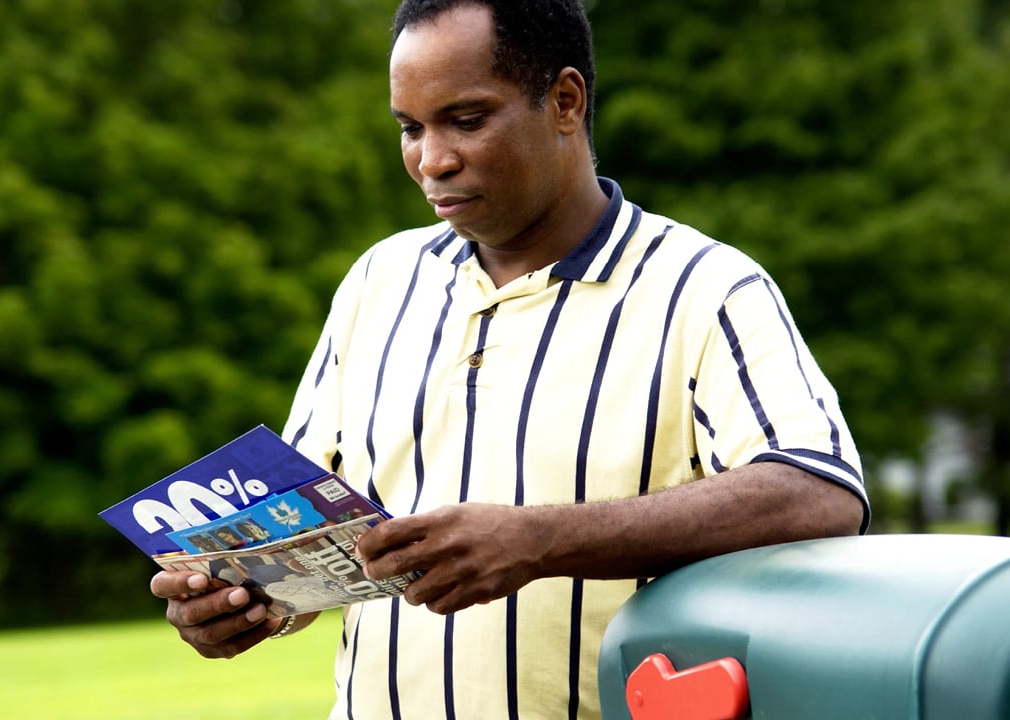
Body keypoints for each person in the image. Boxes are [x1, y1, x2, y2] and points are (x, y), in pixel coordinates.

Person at [150, 1, 869, 717]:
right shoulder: (379, 279)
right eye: (410, 128)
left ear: (564, 101)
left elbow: (817, 491)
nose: (432, 159)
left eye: (465, 119)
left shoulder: (702, 287)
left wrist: (540, 539)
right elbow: (305, 528)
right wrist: (243, 600)